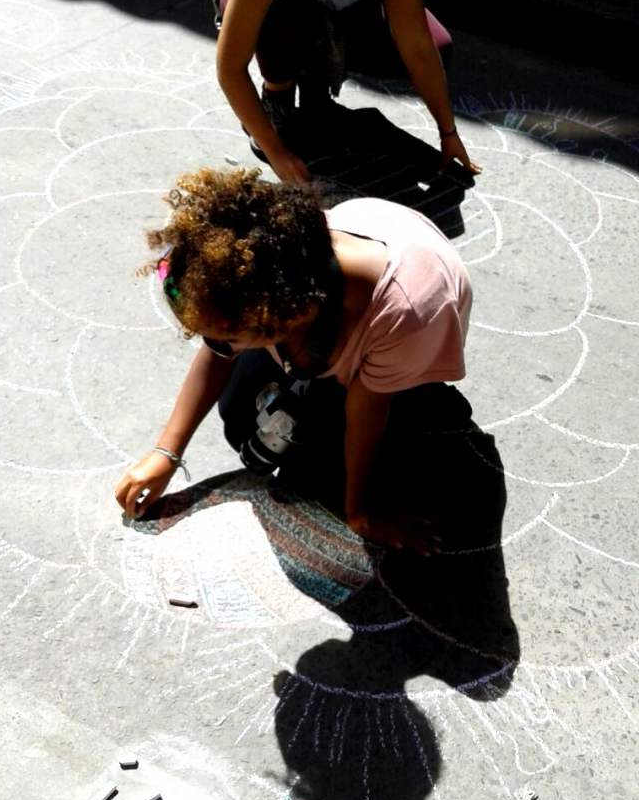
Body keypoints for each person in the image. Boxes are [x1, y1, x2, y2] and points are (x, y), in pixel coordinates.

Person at [114, 167, 473, 551]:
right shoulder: (273, 268)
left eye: (229, 338)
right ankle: (307, 379)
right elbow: (218, 351)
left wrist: (358, 511)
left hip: (410, 331)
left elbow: (368, 410)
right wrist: (166, 453)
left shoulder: (403, 316)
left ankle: (426, 412)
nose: (218, 346)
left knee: (318, 469)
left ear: (290, 318)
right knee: (239, 414)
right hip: (361, 251)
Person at [214, 0, 481, 183]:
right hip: (274, 6)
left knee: (438, 45)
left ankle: (316, 91)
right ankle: (277, 94)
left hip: (336, 8)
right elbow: (230, 68)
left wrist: (448, 131)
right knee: (287, 19)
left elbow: (417, 45)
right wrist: (276, 152)